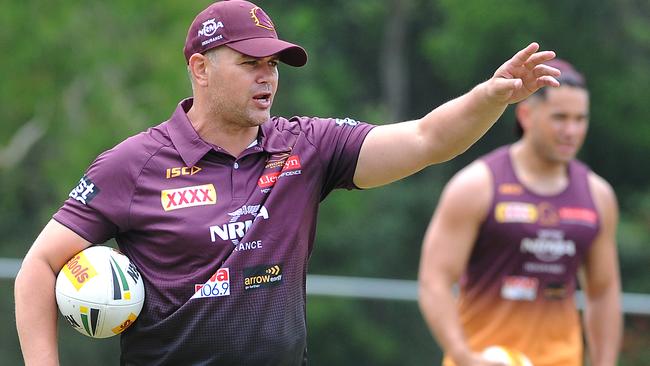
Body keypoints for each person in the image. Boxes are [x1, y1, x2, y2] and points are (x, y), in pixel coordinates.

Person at [14, 1, 561, 365]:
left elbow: (424, 140)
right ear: (200, 69)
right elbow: (38, 267)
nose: (268, 77)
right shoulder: (132, 164)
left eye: (274, 64)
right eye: (250, 62)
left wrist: (491, 96)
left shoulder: (306, 145)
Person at [417, 58, 622, 366]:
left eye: (580, 119)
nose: (571, 130)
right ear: (526, 115)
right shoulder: (477, 186)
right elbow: (434, 280)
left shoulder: (598, 195)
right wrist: (463, 356)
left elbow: (603, 291)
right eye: (560, 118)